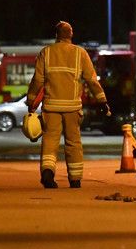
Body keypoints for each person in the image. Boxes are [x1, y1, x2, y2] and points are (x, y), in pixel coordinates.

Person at [26, 21, 109, 189]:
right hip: (72, 108)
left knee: (50, 141)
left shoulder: (46, 52)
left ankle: (48, 172)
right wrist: (102, 101)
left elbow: (38, 80)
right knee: (73, 143)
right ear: (71, 34)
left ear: (56, 35)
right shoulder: (80, 53)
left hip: (51, 107)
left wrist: (31, 100)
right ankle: (75, 179)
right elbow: (92, 80)